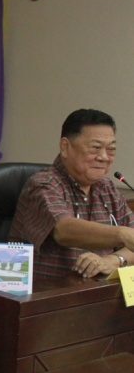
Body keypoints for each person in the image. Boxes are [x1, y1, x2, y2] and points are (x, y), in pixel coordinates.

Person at [10, 108, 134, 279]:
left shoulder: (107, 187)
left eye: (111, 149)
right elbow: (63, 229)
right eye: (95, 148)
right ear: (65, 147)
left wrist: (113, 260)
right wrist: (121, 234)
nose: (104, 157)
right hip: (51, 291)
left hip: (100, 290)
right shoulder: (43, 184)